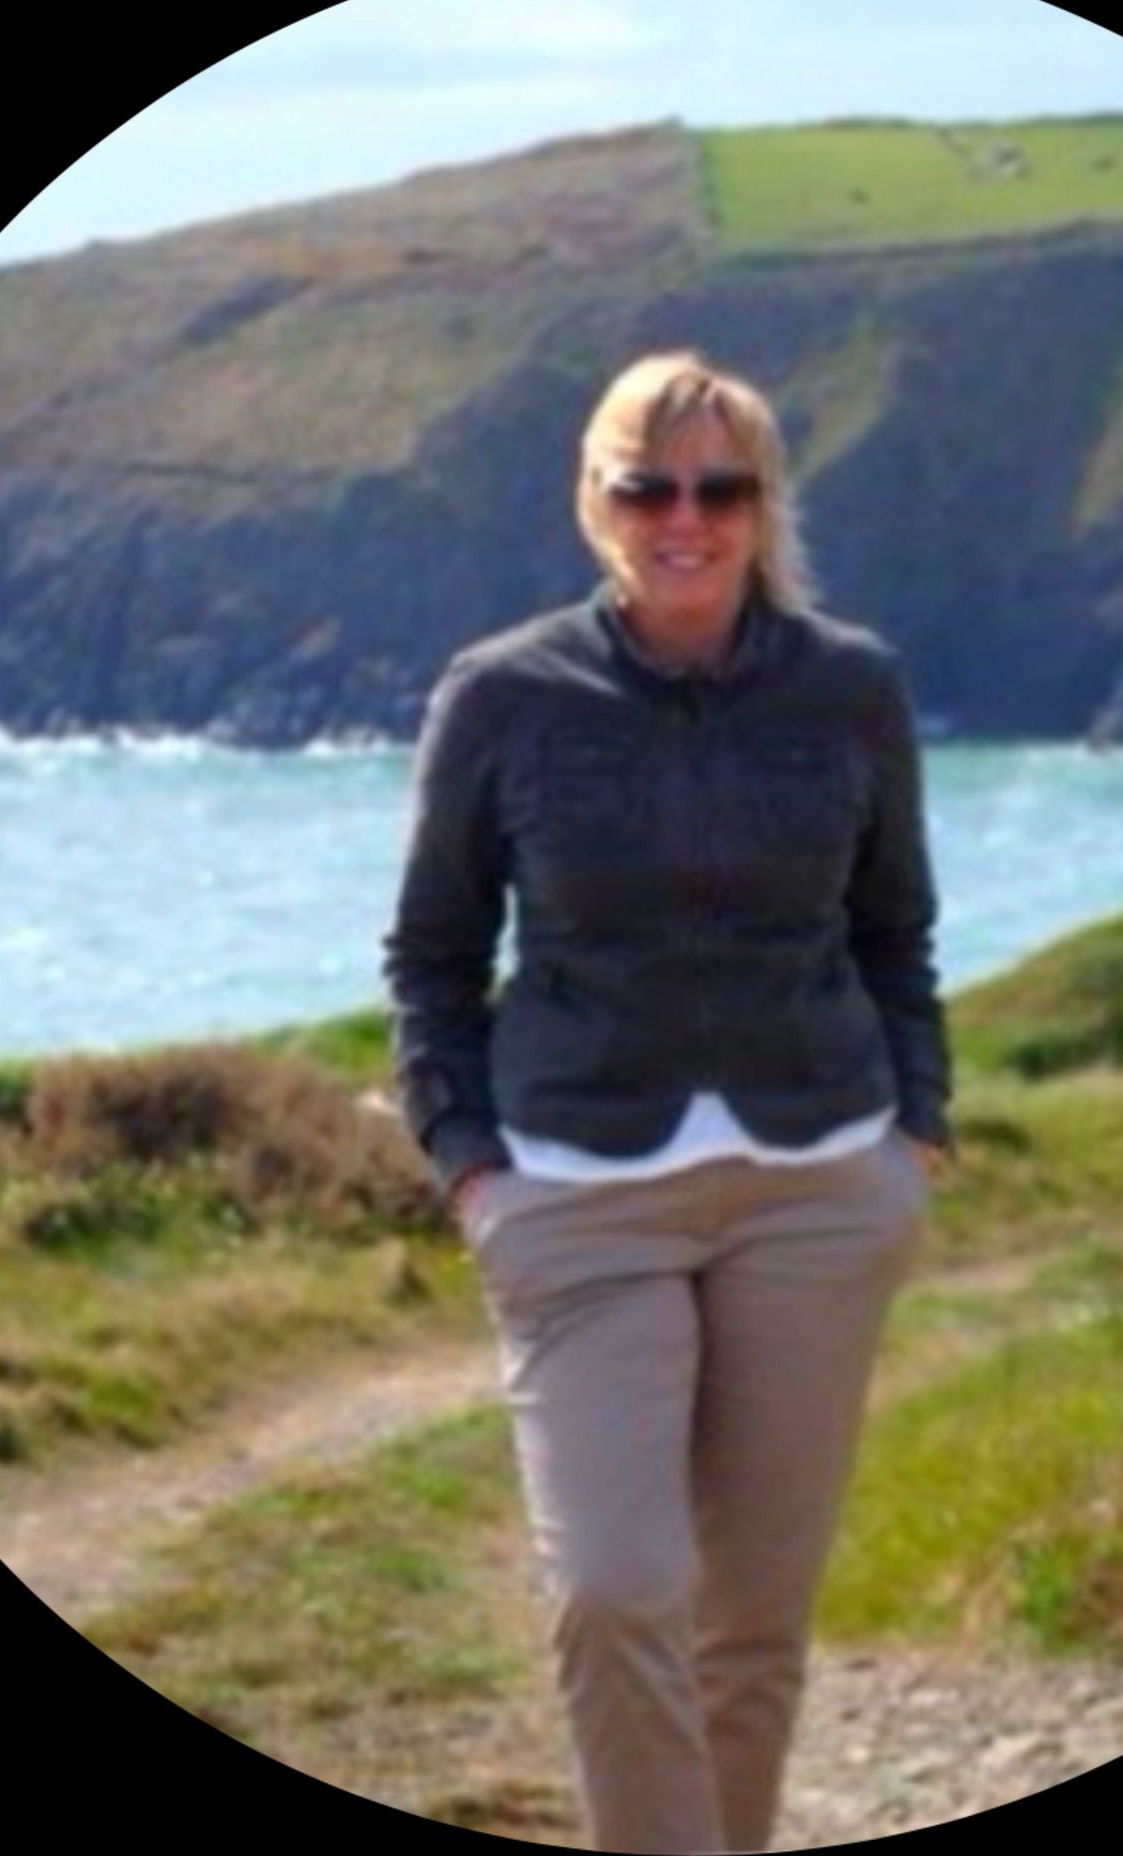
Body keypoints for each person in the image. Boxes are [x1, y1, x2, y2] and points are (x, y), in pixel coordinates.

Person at [383, 349, 951, 1855]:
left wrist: (917, 1137)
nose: (683, 517)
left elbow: (896, 932)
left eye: (719, 487)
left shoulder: (853, 686)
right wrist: (470, 1168)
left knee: (753, 1624)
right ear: (596, 502)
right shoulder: (504, 695)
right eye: (648, 484)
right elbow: (432, 956)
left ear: (762, 506)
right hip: (575, 1195)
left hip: (824, 1186)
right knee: (620, 1588)